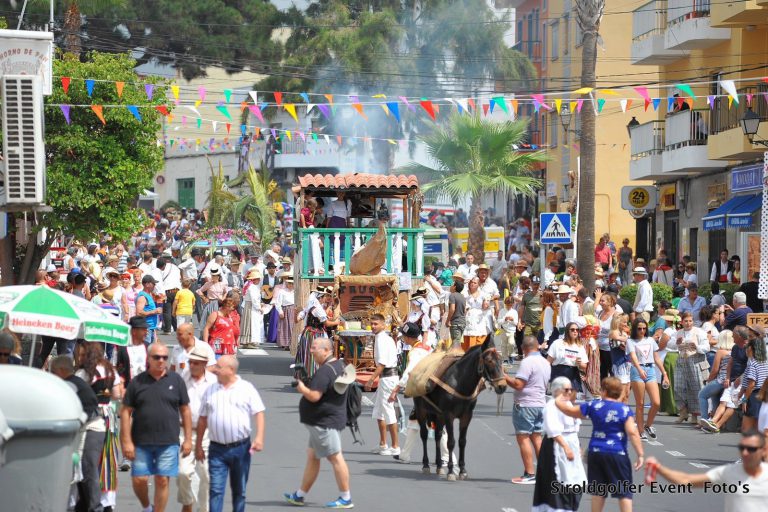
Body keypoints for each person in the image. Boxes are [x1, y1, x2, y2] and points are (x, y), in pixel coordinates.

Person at [120, 342, 192, 512]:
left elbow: (185, 410)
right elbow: (125, 412)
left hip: (168, 440)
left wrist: (188, 439)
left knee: (162, 480)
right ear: (148, 359)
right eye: (156, 357)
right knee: (139, 480)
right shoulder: (137, 382)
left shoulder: (176, 380)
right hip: (141, 441)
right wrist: (126, 441)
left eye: (164, 358)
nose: (161, 361)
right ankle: (146, 507)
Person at [555, 377, 645, 512]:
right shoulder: (624, 410)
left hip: (596, 453)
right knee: (624, 492)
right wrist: (640, 454)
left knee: (598, 492)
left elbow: (570, 411)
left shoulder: (594, 406)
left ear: (603, 391)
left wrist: (557, 400)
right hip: (617, 454)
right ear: (620, 392)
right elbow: (632, 432)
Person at [285, 336, 354, 509]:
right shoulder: (339, 365)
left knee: (335, 457)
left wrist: (301, 388)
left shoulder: (325, 371)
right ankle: (300, 495)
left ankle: (345, 498)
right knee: (313, 457)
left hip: (325, 422)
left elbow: (315, 396)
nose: (311, 350)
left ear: (326, 350)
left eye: (315, 347)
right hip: (324, 420)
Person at [196, 355, 265, 512]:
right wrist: (199, 445)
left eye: (219, 367)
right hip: (216, 449)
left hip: (240, 448)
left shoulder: (246, 388)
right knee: (216, 491)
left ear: (231, 370)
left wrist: (259, 437)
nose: (215, 370)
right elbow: (202, 419)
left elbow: (259, 412)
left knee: (239, 491)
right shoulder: (211, 389)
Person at [645, 430, 768, 512]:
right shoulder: (728, 472)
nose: (745, 453)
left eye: (751, 449)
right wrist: (659, 468)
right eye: (742, 448)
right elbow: (686, 480)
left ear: (764, 451)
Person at [50, 355, 105, 512]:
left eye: (53, 372)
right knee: (79, 470)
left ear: (61, 370)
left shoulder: (71, 384)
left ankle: (96, 507)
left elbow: (85, 406)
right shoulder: (73, 383)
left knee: (88, 469)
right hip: (84, 427)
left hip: (92, 428)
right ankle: (82, 506)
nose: (53, 375)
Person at [73, 343, 123, 512]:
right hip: (108, 417)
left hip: (91, 418)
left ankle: (88, 501)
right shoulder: (110, 370)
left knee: (87, 463)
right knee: (107, 461)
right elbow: (117, 395)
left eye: (81, 355)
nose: (79, 358)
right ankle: (107, 500)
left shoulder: (84, 373)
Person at [532, 376, 586, 512]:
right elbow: (553, 430)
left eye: (571, 389)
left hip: (571, 444)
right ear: (557, 390)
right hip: (557, 446)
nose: (570, 392)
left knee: (576, 482)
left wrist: (577, 446)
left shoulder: (568, 404)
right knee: (559, 481)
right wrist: (566, 447)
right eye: (567, 389)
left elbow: (575, 428)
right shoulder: (551, 406)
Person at [506, 336, 551, 484]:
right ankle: (544, 473)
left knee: (523, 437)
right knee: (536, 437)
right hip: (540, 403)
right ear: (537, 346)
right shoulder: (545, 362)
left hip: (526, 404)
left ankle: (529, 473)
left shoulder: (527, 362)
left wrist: (504, 376)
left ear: (524, 349)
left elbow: (519, 384)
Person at [177, 347, 216, 512]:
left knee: (207, 474)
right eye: (190, 362)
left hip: (207, 434)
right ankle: (187, 503)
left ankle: (204, 509)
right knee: (183, 473)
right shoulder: (182, 379)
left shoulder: (214, 382)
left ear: (205, 364)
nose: (192, 366)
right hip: (183, 433)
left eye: (196, 363)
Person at [627, 318, 668, 440]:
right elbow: (633, 357)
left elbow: (657, 358)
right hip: (637, 370)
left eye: (644, 328)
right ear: (635, 329)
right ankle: (640, 431)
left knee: (656, 402)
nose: (642, 331)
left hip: (650, 370)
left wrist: (664, 374)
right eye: (639, 328)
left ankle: (648, 425)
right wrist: (639, 369)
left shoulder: (650, 340)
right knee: (640, 403)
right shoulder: (631, 341)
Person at [365, 313, 400, 456]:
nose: (373, 326)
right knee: (379, 412)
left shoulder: (382, 339)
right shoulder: (382, 338)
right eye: (372, 324)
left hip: (388, 377)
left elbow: (382, 364)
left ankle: (395, 446)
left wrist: (371, 379)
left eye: (376, 324)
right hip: (386, 377)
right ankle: (383, 444)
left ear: (383, 325)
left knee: (388, 411)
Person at [296, 285, 343, 379]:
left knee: (310, 355)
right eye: (324, 296)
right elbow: (326, 323)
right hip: (315, 334)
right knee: (317, 355)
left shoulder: (313, 306)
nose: (325, 298)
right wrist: (336, 322)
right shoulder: (317, 308)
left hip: (309, 333)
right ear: (320, 297)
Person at [674, 311, 709, 425]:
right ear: (682, 322)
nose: (688, 323)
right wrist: (676, 343)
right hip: (682, 360)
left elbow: (707, 347)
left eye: (690, 321)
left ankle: (695, 415)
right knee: (678, 386)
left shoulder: (699, 332)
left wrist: (697, 347)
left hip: (695, 361)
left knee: (696, 387)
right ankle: (683, 411)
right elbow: (670, 345)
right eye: (686, 321)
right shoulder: (679, 332)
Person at [698, 330, 734, 431]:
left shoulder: (721, 351)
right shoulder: (734, 351)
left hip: (720, 379)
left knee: (702, 395)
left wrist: (709, 380)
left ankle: (704, 419)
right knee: (716, 398)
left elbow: (714, 370)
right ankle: (714, 421)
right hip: (730, 380)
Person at [738, 332, 768, 433]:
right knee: (759, 425)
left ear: (751, 349)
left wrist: (745, 399)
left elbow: (751, 384)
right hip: (764, 394)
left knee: (748, 428)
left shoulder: (752, 363)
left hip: (755, 395)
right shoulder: (764, 362)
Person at [197, 265, 229, 334]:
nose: (213, 277)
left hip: (219, 304)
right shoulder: (208, 284)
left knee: (219, 320)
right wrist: (204, 298)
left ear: (218, 276)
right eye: (212, 276)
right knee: (209, 320)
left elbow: (226, 292)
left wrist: (223, 298)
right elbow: (199, 291)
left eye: (215, 276)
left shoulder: (222, 284)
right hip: (211, 303)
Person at [462, 277, 491, 351]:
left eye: (475, 283)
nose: (472, 284)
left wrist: (486, 305)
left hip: (479, 317)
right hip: (468, 316)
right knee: (468, 336)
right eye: (471, 282)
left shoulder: (483, 294)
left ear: (478, 284)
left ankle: (478, 354)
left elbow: (485, 307)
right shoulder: (464, 293)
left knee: (479, 336)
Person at [135, 275, 163, 344]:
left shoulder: (148, 295)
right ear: (147, 284)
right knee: (146, 351)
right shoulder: (142, 297)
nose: (154, 286)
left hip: (150, 328)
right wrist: (154, 311)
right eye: (153, 284)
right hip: (146, 329)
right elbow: (139, 313)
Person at [273, 276, 296, 350]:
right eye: (289, 283)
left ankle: (292, 343)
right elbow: (278, 303)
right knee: (285, 327)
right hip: (285, 309)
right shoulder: (282, 291)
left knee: (293, 327)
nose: (291, 285)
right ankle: (286, 344)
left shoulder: (295, 292)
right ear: (286, 283)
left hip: (293, 309)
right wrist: (280, 311)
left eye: (292, 283)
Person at [497, 296, 518, 363]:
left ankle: (511, 355)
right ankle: (505, 358)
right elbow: (499, 321)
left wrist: (512, 320)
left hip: (511, 330)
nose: (508, 306)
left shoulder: (514, 312)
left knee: (511, 343)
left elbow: (516, 323)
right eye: (507, 304)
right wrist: (504, 319)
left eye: (510, 305)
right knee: (504, 344)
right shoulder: (502, 311)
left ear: (512, 304)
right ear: (505, 304)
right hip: (503, 329)